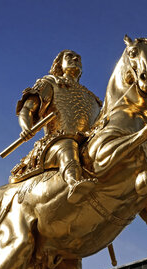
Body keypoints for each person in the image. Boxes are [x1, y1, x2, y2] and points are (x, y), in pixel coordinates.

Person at [12, 50, 102, 203]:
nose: (75, 59)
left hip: (86, 143)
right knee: (68, 144)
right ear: (59, 64)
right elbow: (27, 109)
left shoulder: (93, 98)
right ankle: (73, 183)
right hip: (55, 143)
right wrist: (26, 127)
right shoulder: (50, 82)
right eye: (69, 56)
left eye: (78, 58)